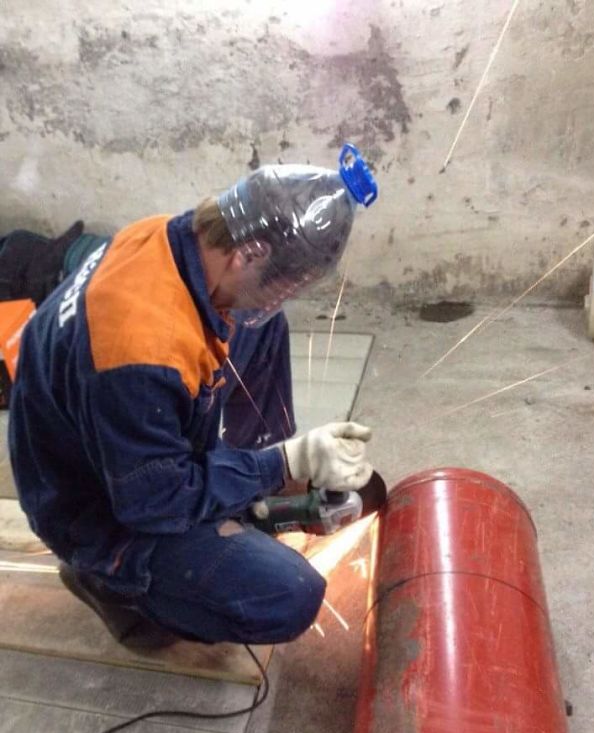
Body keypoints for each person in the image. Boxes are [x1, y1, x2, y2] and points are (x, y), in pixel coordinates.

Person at [8, 145, 378, 647]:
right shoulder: (138, 349)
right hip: (96, 505)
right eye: (280, 284)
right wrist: (284, 462)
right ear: (251, 252)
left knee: (261, 326)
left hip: (107, 430)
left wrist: (266, 470)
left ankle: (246, 495)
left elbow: (244, 313)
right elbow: (152, 503)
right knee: (289, 595)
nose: (279, 296)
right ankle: (106, 580)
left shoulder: (173, 236)